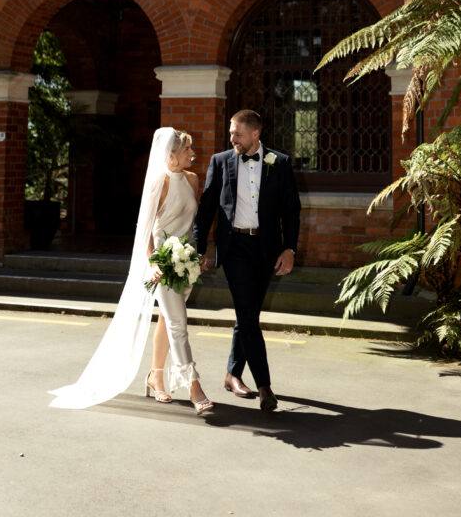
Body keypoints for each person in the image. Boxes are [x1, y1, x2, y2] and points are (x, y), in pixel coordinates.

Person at [49, 127, 213, 414]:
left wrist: (196, 256)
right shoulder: (158, 183)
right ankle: (193, 385)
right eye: (188, 149)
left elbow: (191, 225)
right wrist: (153, 262)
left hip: (185, 265)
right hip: (163, 264)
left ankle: (155, 376)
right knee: (178, 323)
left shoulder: (193, 179)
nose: (193, 153)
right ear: (172, 155)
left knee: (167, 319)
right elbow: (146, 230)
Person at [194, 109, 301, 412]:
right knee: (247, 313)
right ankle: (265, 386)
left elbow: (291, 209)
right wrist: (200, 249)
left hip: (267, 249)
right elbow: (206, 208)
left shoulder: (279, 163)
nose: (232, 138)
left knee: (248, 314)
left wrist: (289, 249)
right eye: (231, 133)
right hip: (235, 248)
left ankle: (232, 374)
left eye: (237, 133)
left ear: (256, 134)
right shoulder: (221, 161)